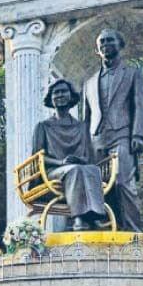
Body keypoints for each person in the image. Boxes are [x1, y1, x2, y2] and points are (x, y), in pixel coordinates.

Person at [83, 28, 143, 232]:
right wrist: (83, 146)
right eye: (101, 42)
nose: (104, 45)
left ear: (120, 45)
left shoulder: (132, 73)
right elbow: (86, 118)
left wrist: (138, 134)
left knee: (122, 183)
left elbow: (140, 104)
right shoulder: (89, 82)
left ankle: (133, 231)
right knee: (100, 187)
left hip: (123, 135)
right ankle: (110, 228)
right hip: (96, 139)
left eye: (109, 40)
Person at [32, 79, 106, 231]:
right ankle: (78, 218)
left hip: (76, 168)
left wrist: (79, 160)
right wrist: (61, 162)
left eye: (63, 91)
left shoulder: (80, 127)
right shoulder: (43, 126)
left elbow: (87, 156)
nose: (60, 95)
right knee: (74, 170)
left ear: (71, 96)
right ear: (51, 98)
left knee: (93, 169)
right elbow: (37, 157)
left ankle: (94, 217)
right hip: (53, 171)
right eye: (56, 92)